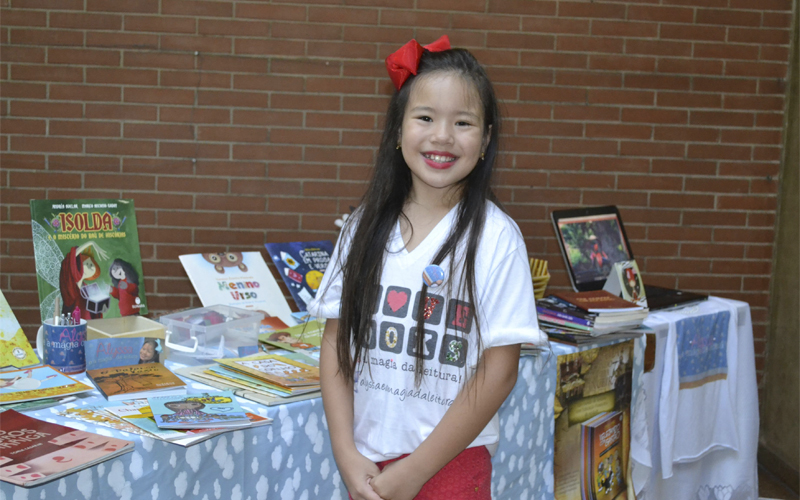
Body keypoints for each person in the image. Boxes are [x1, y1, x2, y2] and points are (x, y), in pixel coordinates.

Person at [307, 36, 546, 500]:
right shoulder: (361, 227)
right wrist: (344, 450)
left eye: (463, 122)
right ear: (398, 130)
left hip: (452, 464)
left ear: (486, 139)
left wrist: (415, 471)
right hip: (367, 464)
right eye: (425, 118)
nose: (442, 136)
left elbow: (500, 371)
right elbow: (336, 340)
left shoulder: (497, 238)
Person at [59, 241, 108, 320]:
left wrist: (101, 308)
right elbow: (71, 258)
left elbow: (94, 308)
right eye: (87, 263)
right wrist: (91, 243)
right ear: (79, 264)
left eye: (91, 265)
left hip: (89, 322)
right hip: (75, 322)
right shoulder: (71, 283)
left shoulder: (86, 287)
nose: (89, 267)